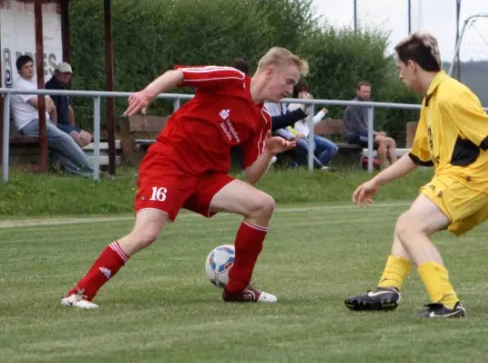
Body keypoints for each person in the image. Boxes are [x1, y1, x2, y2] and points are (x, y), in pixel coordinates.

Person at [60, 47, 306, 309]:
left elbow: (251, 175)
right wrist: (148, 93)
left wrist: (268, 151)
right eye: (288, 81)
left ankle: (237, 289)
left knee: (262, 205)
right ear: (269, 72)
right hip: (169, 165)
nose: (290, 90)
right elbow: (178, 75)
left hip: (205, 178)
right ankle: (78, 294)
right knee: (146, 233)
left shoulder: (263, 119)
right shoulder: (232, 79)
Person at [344, 32, 488, 318]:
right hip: (455, 178)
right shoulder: (432, 98)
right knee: (407, 224)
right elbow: (417, 157)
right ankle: (388, 288)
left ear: (412, 66)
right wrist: (376, 180)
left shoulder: (452, 95)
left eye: (400, 68)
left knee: (410, 227)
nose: (399, 75)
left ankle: (448, 302)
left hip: (470, 181)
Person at [10, 55, 94, 177]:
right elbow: (41, 105)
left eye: (31, 66)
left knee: (61, 146)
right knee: (65, 139)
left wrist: (49, 114)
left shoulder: (33, 84)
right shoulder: (20, 85)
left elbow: (51, 105)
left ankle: (86, 173)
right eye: (26, 67)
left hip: (43, 122)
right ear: (19, 70)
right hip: (29, 125)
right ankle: (93, 171)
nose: (30, 69)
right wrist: (45, 106)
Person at [343, 81, 397, 168]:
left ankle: (395, 167)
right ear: (358, 91)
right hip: (354, 136)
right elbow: (358, 127)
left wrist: (376, 133)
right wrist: (376, 134)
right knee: (382, 141)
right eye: (364, 92)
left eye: (368, 92)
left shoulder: (368, 104)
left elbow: (367, 126)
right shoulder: (353, 105)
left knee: (391, 141)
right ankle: (384, 168)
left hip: (365, 134)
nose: (366, 94)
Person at [288, 80, 338, 168]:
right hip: (300, 136)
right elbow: (309, 120)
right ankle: (315, 167)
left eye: (305, 91)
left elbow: (310, 123)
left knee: (333, 148)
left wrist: (311, 106)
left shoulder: (307, 105)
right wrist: (321, 112)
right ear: (296, 93)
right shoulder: (293, 105)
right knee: (311, 146)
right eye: (300, 92)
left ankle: (313, 167)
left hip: (309, 135)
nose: (303, 94)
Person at [45, 62, 92, 148]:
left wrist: (72, 127)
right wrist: (55, 130)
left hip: (66, 125)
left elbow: (69, 109)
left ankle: (68, 157)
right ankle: (66, 159)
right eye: (64, 74)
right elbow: (51, 110)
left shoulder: (64, 87)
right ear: (56, 73)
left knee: (87, 137)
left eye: (69, 74)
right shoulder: (50, 87)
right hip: (55, 125)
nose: (67, 76)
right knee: (79, 139)